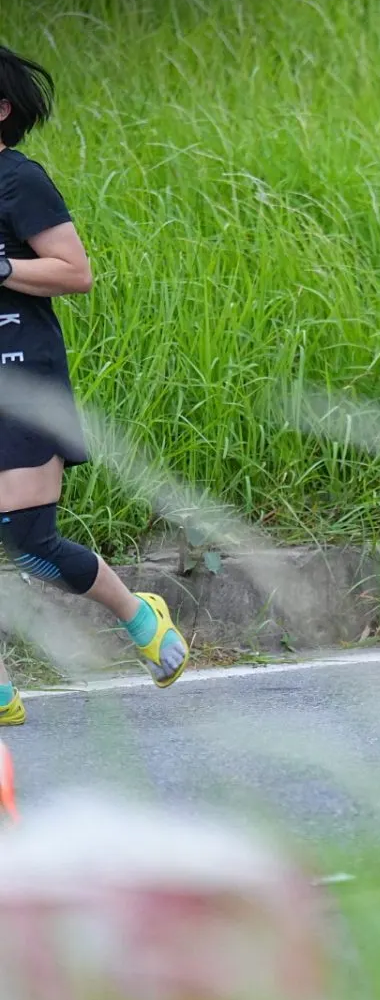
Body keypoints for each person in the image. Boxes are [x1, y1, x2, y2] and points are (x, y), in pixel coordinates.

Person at [0, 46, 189, 724]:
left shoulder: (18, 181)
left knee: (27, 540)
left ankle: (140, 616)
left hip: (21, 378)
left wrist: (3, 268)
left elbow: (74, 271)